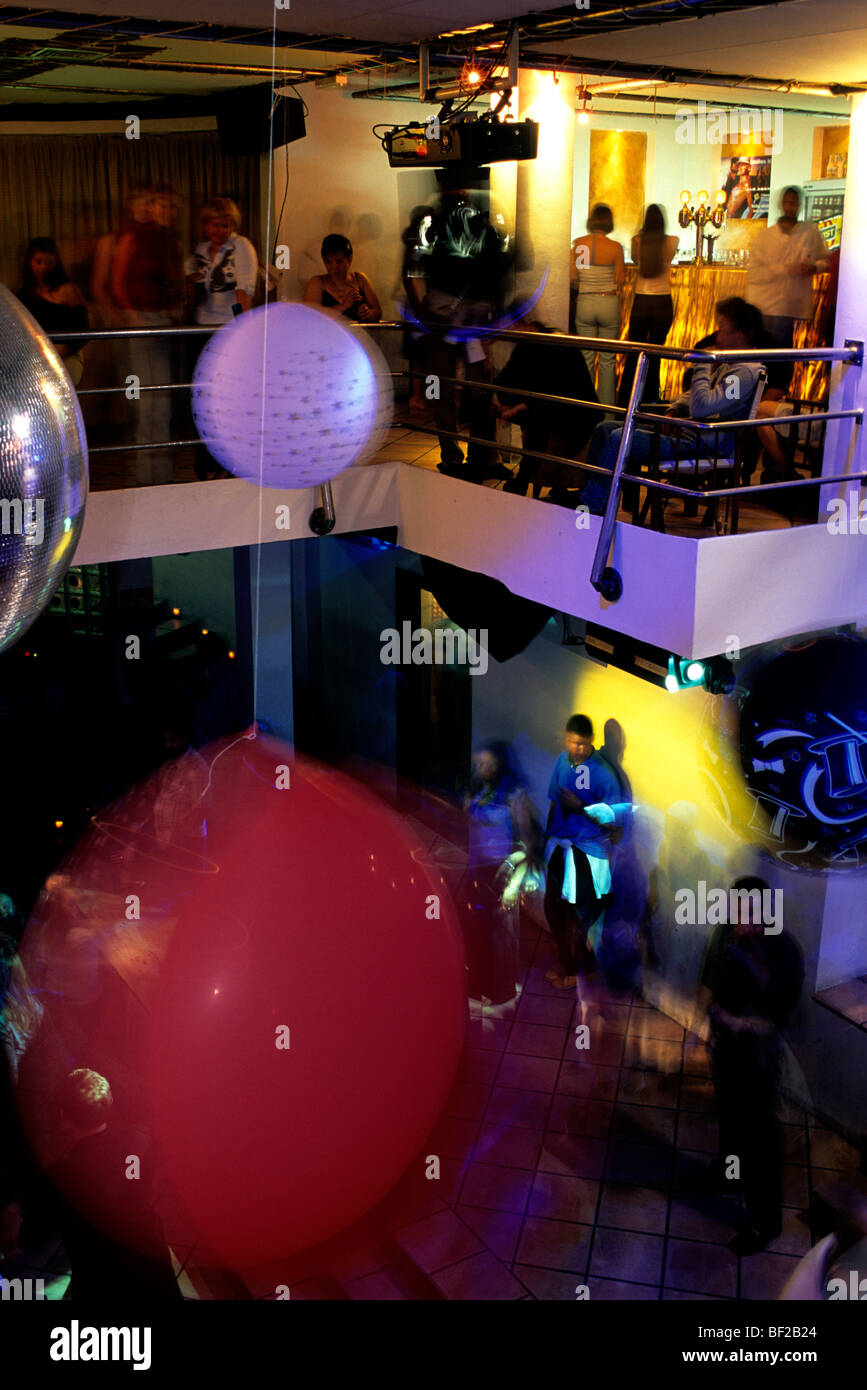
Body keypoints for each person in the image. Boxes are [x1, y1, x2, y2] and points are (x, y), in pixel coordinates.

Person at [695, 877, 804, 1255]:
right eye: (734, 911)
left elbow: (780, 1015)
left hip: (757, 1055)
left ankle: (764, 1222)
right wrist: (705, 1023)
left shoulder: (781, 950)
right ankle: (730, 1175)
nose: (738, 920)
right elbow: (709, 977)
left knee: (758, 1136)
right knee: (729, 1117)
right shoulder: (726, 934)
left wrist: (739, 1023)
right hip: (725, 1045)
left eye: (747, 914)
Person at [578, 296, 765, 516]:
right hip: (690, 434)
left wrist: (702, 365)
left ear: (743, 334)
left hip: (704, 445)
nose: (718, 336)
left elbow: (703, 407)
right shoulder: (732, 363)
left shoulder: (743, 373)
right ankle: (588, 496)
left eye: (724, 330)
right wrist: (674, 408)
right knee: (604, 429)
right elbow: (696, 398)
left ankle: (592, 508)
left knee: (620, 437)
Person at [28, 1068, 181, 1299]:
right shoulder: (139, 1139)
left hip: (104, 1278)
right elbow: (141, 1172)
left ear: (63, 1115)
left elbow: (32, 1237)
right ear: (108, 1103)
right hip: (152, 1268)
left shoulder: (63, 1174)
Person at [414, 179, 513, 482]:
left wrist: (492, 311)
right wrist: (425, 311)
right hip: (447, 314)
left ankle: (480, 456)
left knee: (479, 387)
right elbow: (413, 269)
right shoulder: (433, 227)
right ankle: (457, 458)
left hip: (467, 315)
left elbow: (498, 270)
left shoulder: (478, 227)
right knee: (448, 389)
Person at [111, 184, 184, 486]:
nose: (166, 212)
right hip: (140, 322)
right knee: (146, 404)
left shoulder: (173, 243)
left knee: (163, 403)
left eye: (172, 208)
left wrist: (177, 307)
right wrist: (132, 315)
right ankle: (145, 480)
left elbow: (177, 283)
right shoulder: (132, 238)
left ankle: (162, 480)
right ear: (151, 209)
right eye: (161, 206)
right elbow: (117, 283)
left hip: (164, 322)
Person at [543, 714, 620, 989]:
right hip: (562, 845)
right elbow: (554, 801)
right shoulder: (562, 762)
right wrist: (546, 837)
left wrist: (580, 806)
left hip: (588, 853)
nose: (580, 749)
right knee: (552, 907)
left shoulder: (603, 774)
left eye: (585, 744)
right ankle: (571, 961)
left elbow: (613, 824)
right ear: (566, 739)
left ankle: (579, 970)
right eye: (575, 743)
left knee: (577, 918)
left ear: (593, 742)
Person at [492, 313, 602, 503]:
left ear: (528, 325)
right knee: (486, 400)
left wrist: (518, 407)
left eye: (513, 327)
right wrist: (499, 401)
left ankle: (523, 479)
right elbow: (505, 378)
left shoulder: (555, 344)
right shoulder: (525, 346)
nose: (510, 333)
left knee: (540, 413)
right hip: (547, 406)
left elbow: (556, 390)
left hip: (576, 412)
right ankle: (479, 464)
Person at [462, 744, 540, 1008]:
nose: (482, 769)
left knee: (501, 934)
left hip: (503, 869)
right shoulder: (476, 791)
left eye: (487, 764)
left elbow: (526, 844)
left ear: (500, 765)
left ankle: (499, 990)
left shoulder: (515, 795)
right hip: (478, 869)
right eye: (478, 764)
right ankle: (478, 984)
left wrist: (514, 884)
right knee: (477, 929)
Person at [185, 198, 258, 478]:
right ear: (206, 226)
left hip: (229, 330)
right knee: (204, 399)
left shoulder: (241, 247)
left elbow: (245, 291)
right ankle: (205, 463)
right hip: (201, 331)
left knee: (230, 400)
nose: (221, 229)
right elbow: (190, 290)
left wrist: (241, 335)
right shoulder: (200, 251)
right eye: (215, 224)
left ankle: (233, 462)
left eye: (226, 224)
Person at [747, 186, 829, 352]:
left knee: (783, 357)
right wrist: (784, 269)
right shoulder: (765, 237)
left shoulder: (810, 232)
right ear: (781, 204)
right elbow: (753, 274)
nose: (791, 207)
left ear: (800, 205)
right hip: (767, 305)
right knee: (769, 356)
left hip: (793, 308)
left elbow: (827, 260)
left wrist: (814, 268)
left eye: (794, 203)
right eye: (788, 203)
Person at [618, 204, 678, 407]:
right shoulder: (671, 241)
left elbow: (635, 260)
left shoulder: (637, 240)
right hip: (663, 301)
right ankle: (652, 401)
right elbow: (669, 258)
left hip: (642, 299)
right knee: (656, 352)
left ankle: (628, 400)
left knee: (636, 352)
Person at [571, 204, 625, 405]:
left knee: (586, 359)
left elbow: (573, 276)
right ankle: (607, 413)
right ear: (609, 222)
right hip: (608, 302)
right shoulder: (615, 247)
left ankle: (586, 409)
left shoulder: (580, 245)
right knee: (608, 361)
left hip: (585, 301)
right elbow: (620, 279)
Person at [18, 238, 89, 387]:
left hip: (66, 354)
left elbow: (83, 328)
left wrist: (63, 349)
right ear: (30, 262)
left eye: (48, 262)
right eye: (39, 262)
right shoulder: (24, 295)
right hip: (35, 356)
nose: (43, 267)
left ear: (55, 263)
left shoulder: (67, 291)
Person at [303, 234, 381, 323]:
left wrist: (368, 313)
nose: (334, 267)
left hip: (358, 334)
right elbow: (311, 316)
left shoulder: (360, 279)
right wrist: (343, 306)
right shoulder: (318, 282)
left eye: (339, 261)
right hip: (327, 335)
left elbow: (377, 312)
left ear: (350, 259)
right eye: (329, 262)